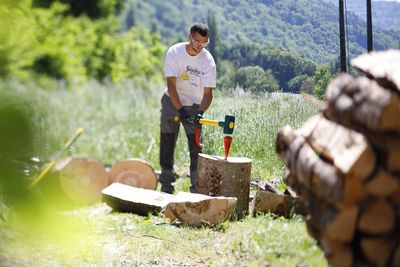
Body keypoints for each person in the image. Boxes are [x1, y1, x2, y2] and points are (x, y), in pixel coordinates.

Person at [159, 22, 217, 194]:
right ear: (189, 37)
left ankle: (196, 190)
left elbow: (208, 94)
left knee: (197, 147)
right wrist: (180, 111)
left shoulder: (208, 61)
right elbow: (171, 85)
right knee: (168, 141)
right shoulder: (175, 52)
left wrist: (200, 113)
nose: (200, 46)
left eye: (204, 43)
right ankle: (167, 186)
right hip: (172, 101)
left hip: (194, 105)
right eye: (197, 41)